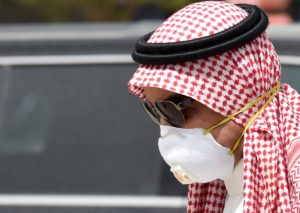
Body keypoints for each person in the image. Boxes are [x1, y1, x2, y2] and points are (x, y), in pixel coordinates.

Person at [127, 1, 300, 212]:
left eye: (173, 109)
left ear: (237, 95)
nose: (166, 129)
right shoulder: (229, 186)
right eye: (156, 111)